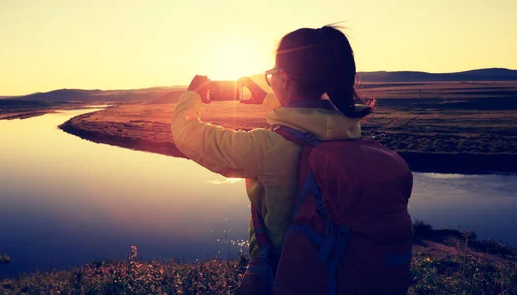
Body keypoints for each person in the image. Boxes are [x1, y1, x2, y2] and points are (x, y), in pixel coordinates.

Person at [171, 25, 412, 295]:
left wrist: (191, 96)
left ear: (284, 79)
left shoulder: (267, 147)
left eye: (272, 75)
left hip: (286, 277)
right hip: (335, 273)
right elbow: (305, 114)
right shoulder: (347, 132)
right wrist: (266, 99)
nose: (270, 80)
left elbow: (188, 135)